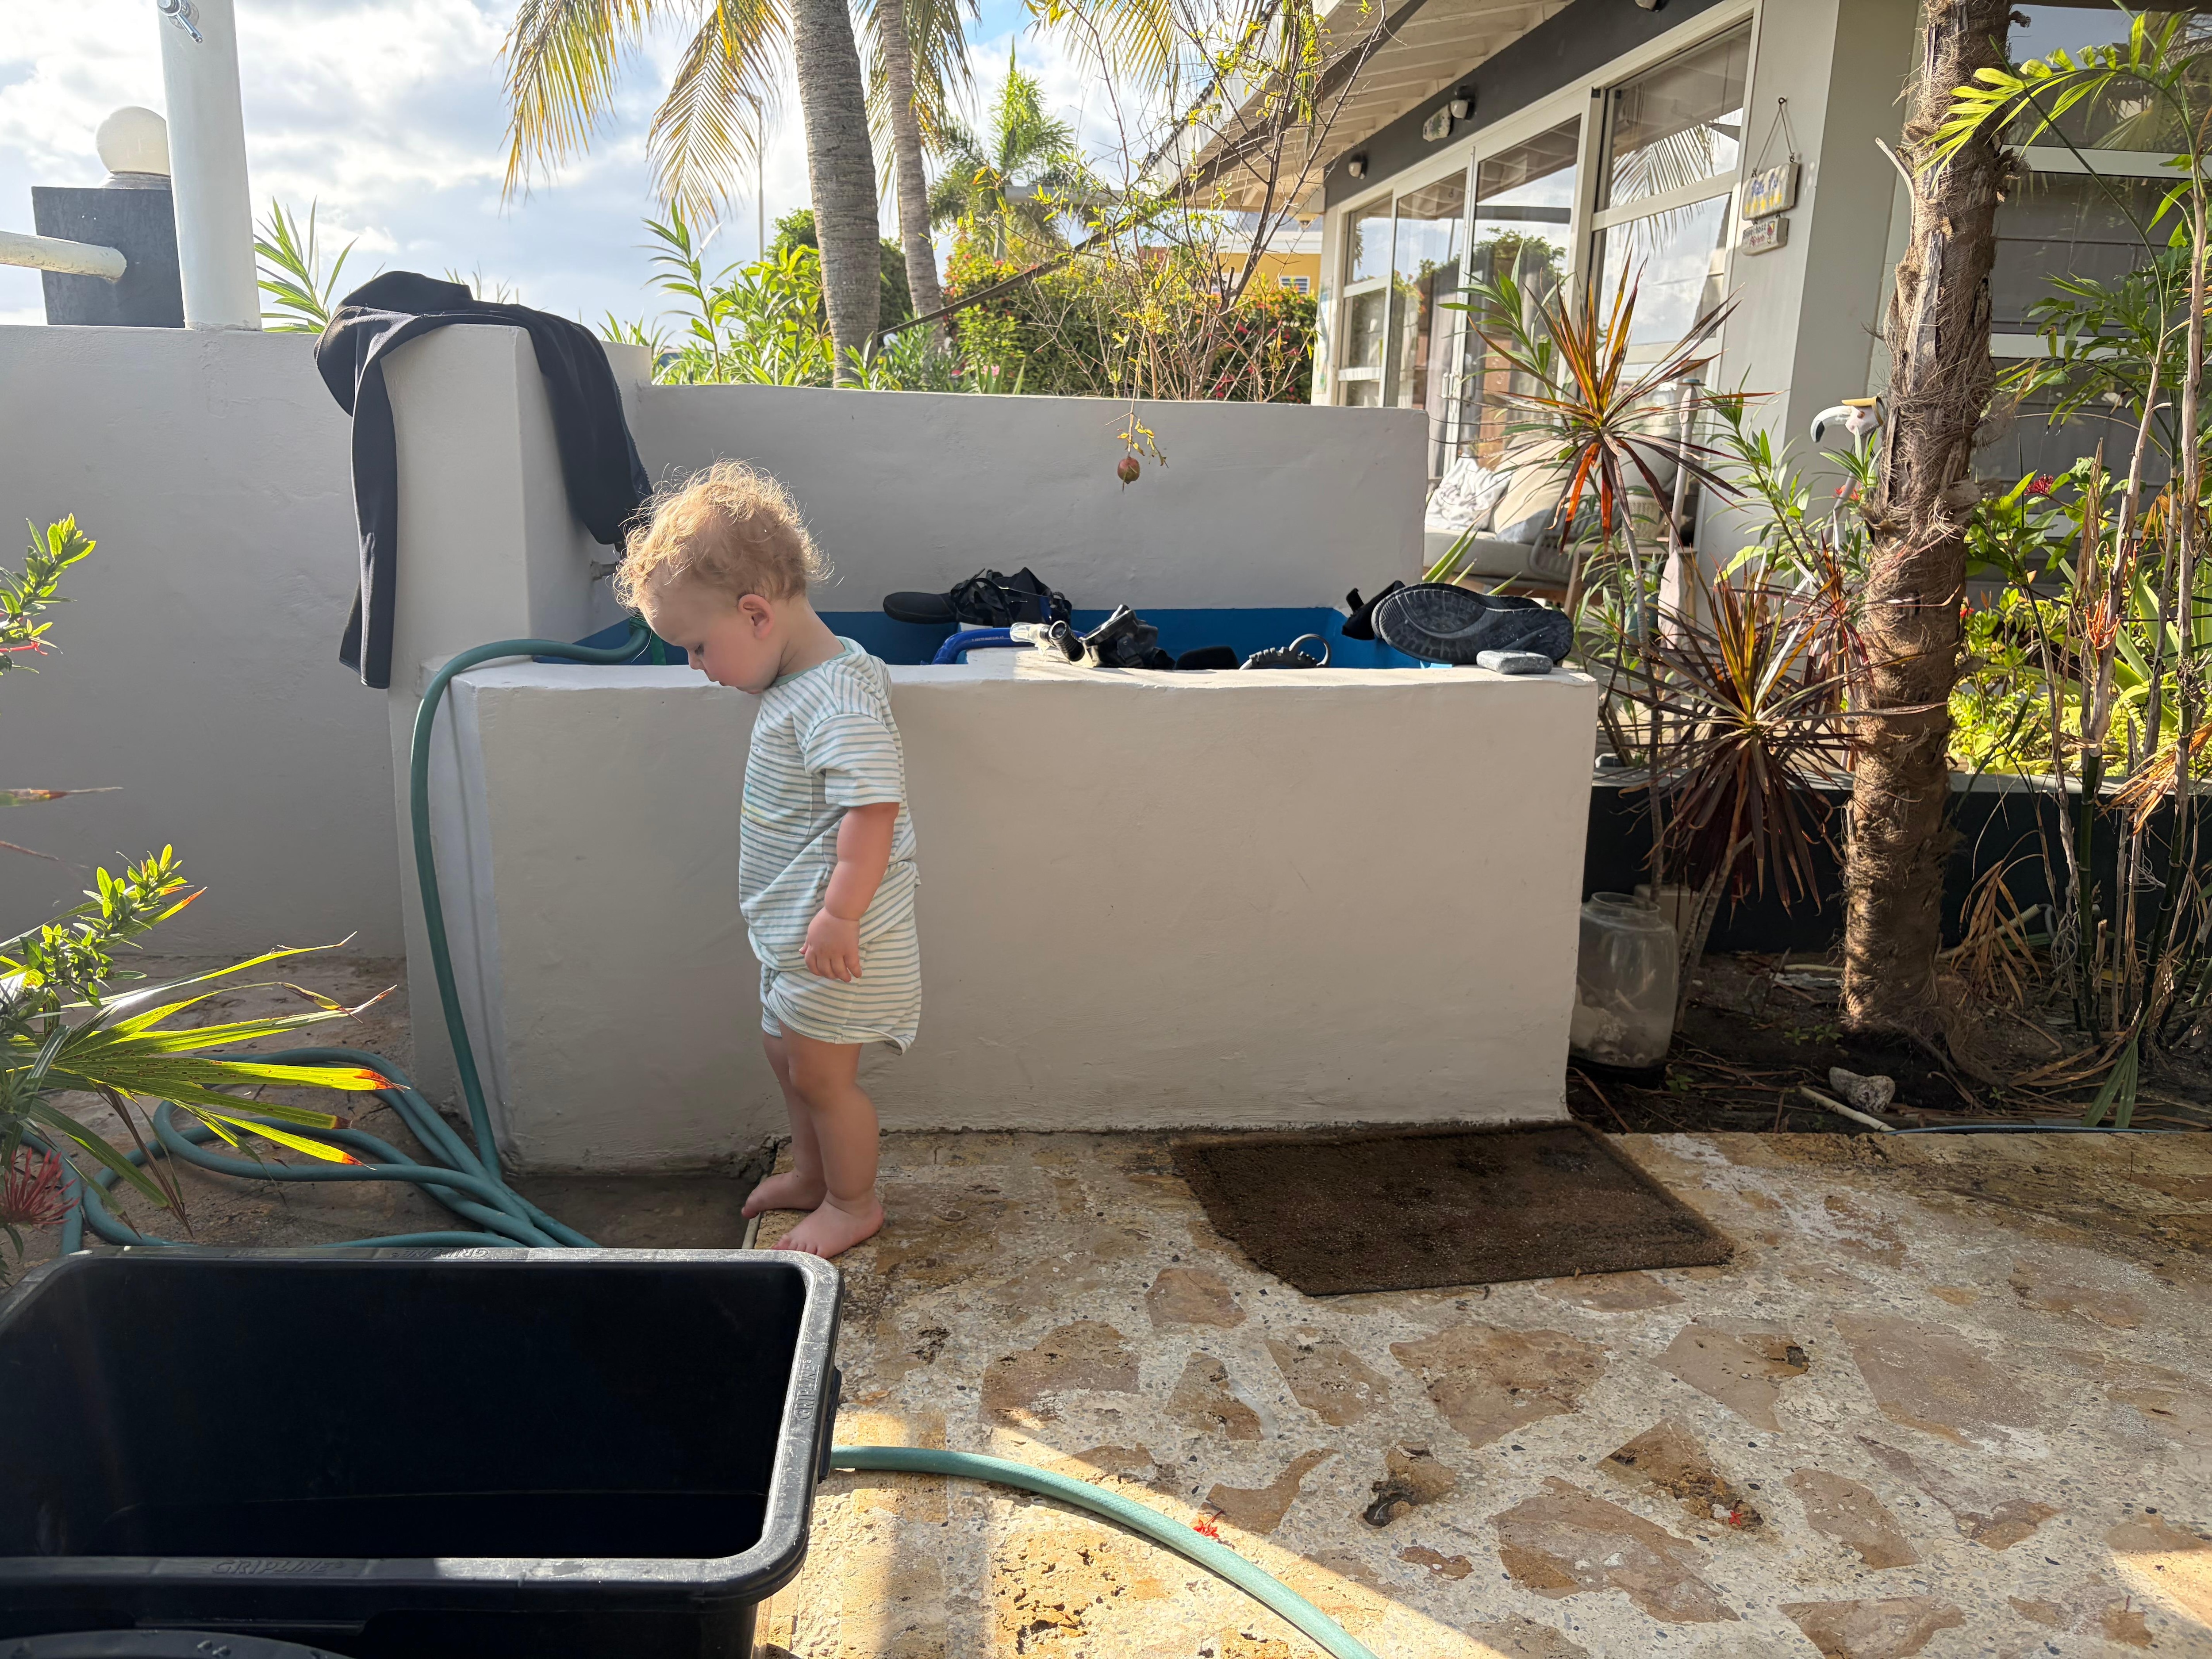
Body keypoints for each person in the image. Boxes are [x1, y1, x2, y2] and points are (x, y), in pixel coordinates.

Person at [614, 461, 918, 1258]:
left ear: (755, 614)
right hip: (801, 935)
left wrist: (840, 912)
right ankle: (815, 1177)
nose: (695, 666)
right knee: (786, 1055)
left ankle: (853, 1203)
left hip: (841, 937)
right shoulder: (801, 680)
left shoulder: (834, 695)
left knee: (824, 1076)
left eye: (695, 646)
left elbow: (872, 806)